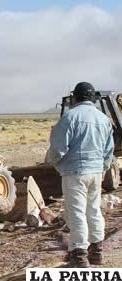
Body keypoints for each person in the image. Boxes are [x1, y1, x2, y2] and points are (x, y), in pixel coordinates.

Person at [46, 81, 114, 267]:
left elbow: (58, 149)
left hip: (74, 172)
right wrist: (103, 168)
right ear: (93, 99)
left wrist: (55, 163)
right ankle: (97, 252)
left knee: (76, 212)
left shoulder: (69, 117)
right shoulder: (103, 119)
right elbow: (109, 151)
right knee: (93, 211)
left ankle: (79, 255)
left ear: (74, 98)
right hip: (96, 171)